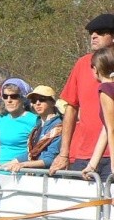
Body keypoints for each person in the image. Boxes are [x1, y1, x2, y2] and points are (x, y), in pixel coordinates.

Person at [49, 13, 114, 180]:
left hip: (111, 157)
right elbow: (71, 108)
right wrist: (64, 153)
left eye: (100, 32)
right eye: (92, 32)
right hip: (84, 154)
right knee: (81, 206)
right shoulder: (82, 64)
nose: (93, 36)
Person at [1, 86, 63, 173]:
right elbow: (33, 153)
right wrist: (4, 165)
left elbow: (50, 159)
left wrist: (23, 164)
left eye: (42, 99)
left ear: (52, 103)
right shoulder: (38, 125)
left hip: (50, 178)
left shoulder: (58, 127)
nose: (37, 103)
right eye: (34, 100)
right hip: (36, 177)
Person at [81, 47, 114, 180]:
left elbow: (112, 129)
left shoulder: (106, 89)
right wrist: (92, 164)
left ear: (95, 69)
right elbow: (106, 129)